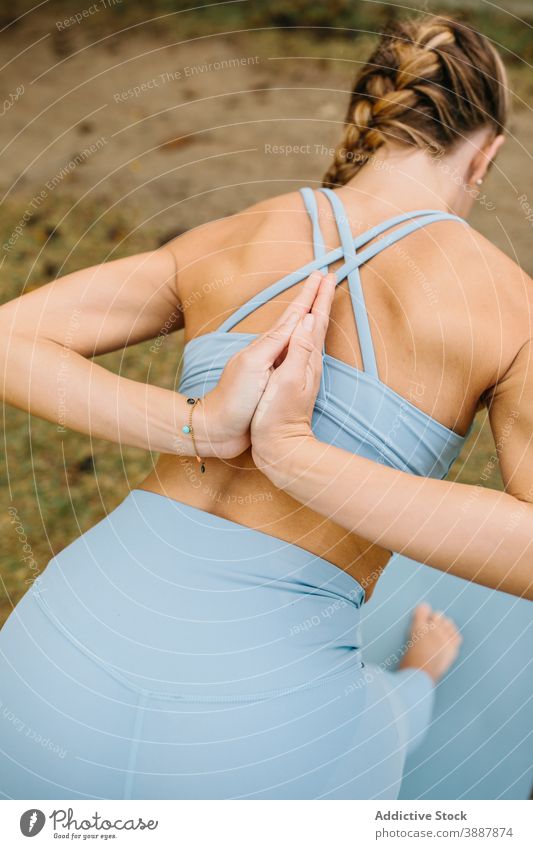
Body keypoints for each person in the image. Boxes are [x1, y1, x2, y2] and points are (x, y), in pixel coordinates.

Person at [0, 14, 530, 800]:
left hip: (49, 663)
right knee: (407, 700)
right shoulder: (507, 306)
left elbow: (13, 338)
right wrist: (297, 456)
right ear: (484, 156)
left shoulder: (236, 233)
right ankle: (414, 683)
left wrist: (199, 424)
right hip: (264, 735)